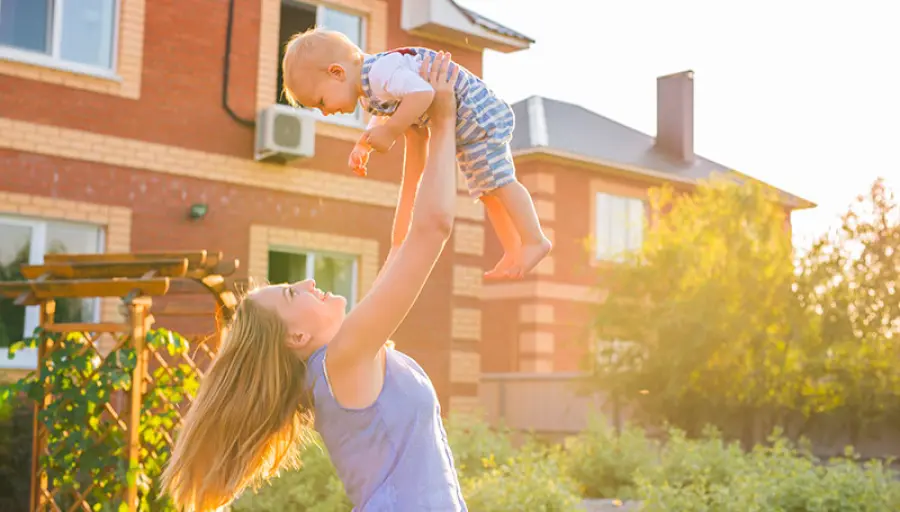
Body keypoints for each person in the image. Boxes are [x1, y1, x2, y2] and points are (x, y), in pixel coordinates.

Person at [161, 52, 467, 512]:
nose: (305, 282)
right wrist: (443, 123)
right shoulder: (341, 362)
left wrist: (415, 138)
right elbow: (434, 228)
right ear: (297, 336)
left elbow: (404, 241)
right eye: (290, 293)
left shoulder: (340, 360)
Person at [281, 28, 552, 280]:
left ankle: (535, 239)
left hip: (478, 115)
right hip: (465, 129)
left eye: (321, 102)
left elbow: (422, 93)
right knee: (488, 192)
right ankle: (513, 249)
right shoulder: (367, 93)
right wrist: (364, 144)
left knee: (502, 182)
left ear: (337, 72)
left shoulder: (380, 71)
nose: (325, 112)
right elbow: (382, 115)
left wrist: (392, 132)